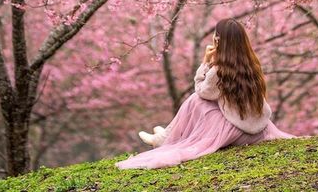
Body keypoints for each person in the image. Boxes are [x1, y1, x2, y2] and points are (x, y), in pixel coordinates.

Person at [115, 17, 298, 170]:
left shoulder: (220, 70)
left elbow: (202, 92)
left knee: (196, 99)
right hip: (258, 130)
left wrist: (205, 62)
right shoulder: (253, 65)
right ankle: (166, 134)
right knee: (203, 99)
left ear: (218, 40)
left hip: (237, 133)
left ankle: (163, 139)